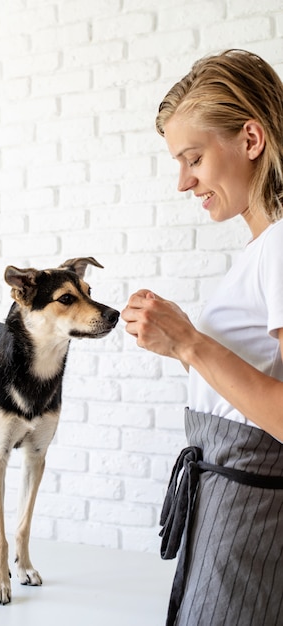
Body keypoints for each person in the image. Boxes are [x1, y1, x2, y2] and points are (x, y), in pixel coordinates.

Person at [121, 49, 283, 626]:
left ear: (251, 139)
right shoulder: (263, 250)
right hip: (226, 506)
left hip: (246, 517)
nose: (184, 181)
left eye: (193, 158)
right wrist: (177, 344)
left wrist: (191, 343)